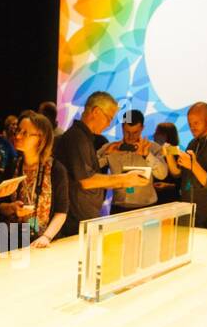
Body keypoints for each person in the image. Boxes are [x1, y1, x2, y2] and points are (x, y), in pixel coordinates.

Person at [57, 90, 147, 236]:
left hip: (83, 216)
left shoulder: (85, 137)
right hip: (76, 220)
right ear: (96, 112)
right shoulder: (77, 137)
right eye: (108, 118)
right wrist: (124, 179)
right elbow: (86, 180)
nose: (109, 124)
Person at [0, 111, 69, 248]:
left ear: (41, 139)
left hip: (43, 241)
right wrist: (11, 208)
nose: (18, 136)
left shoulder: (56, 169)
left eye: (25, 133)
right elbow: (0, 206)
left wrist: (46, 237)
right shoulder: (13, 165)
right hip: (13, 242)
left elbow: (62, 211)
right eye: (18, 130)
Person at [164, 101, 207, 229]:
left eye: (196, 123)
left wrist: (193, 166)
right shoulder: (193, 144)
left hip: (205, 216)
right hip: (185, 212)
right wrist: (169, 156)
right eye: (190, 124)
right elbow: (179, 174)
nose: (192, 127)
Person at [98, 110, 168, 213]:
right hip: (119, 208)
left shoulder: (153, 148)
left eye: (135, 132)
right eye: (127, 132)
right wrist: (107, 154)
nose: (130, 137)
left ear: (142, 128)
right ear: (122, 127)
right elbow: (87, 168)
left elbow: (162, 175)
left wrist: (147, 155)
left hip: (147, 207)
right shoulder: (110, 148)